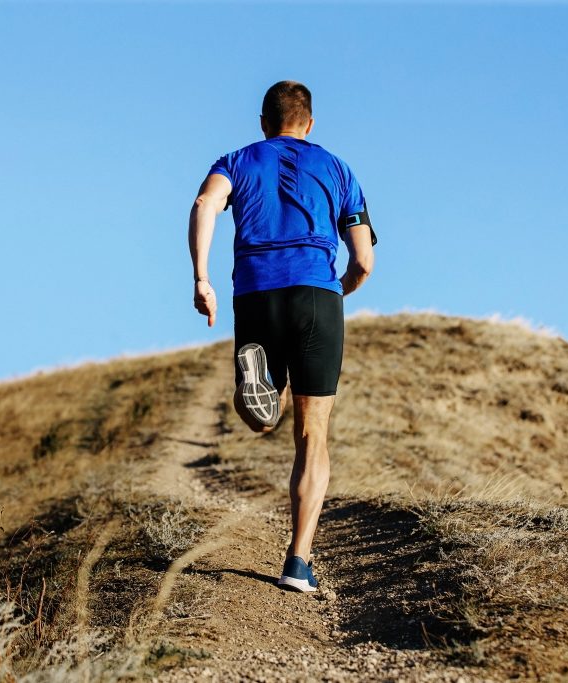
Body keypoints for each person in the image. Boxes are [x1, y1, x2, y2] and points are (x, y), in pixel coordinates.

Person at [187, 80, 376, 593]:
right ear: (309, 123)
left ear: (263, 123)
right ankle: (298, 561)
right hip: (316, 295)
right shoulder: (338, 169)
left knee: (262, 419)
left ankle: (259, 388)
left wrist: (202, 278)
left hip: (256, 292)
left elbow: (205, 203)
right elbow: (363, 260)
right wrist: (336, 290)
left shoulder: (235, 161)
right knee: (313, 434)